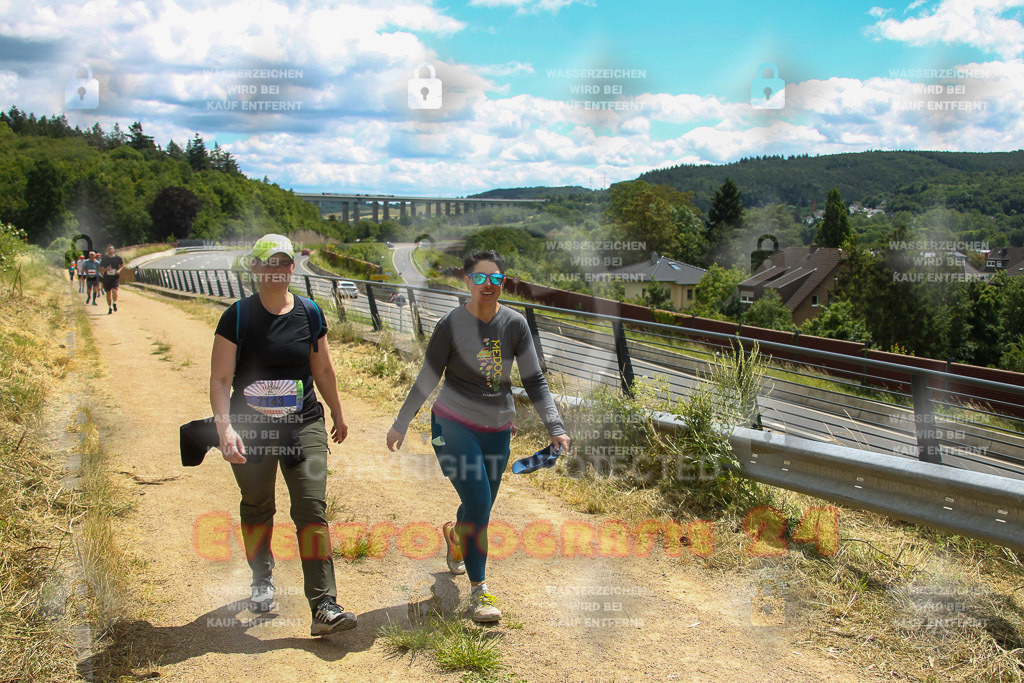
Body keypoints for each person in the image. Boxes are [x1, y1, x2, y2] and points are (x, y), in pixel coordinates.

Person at [386, 250, 571, 623]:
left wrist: (555, 426)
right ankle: (479, 592)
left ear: (504, 282)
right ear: (467, 281)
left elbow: (534, 380)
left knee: (477, 507)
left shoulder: (515, 324)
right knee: (478, 500)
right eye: (481, 278)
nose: (489, 285)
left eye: (496, 279)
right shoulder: (451, 325)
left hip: (497, 429)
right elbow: (428, 377)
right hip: (453, 425)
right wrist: (402, 422)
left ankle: (457, 537)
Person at [209, 233, 357, 637]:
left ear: (293, 267)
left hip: (303, 423)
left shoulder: (309, 313)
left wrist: (338, 412)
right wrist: (225, 428)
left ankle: (323, 604)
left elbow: (322, 369)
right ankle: (262, 577)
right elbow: (221, 380)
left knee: (311, 510)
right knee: (257, 506)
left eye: (284, 263)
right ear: (255, 268)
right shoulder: (237, 317)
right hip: (251, 428)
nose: (276, 270)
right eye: (268, 263)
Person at [99, 244, 124, 314]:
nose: (110, 250)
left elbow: (122, 265)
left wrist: (119, 270)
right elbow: (99, 269)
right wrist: (105, 270)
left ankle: (115, 303)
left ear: (113, 250)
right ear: (107, 250)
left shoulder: (118, 258)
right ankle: (110, 307)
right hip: (107, 278)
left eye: (111, 249)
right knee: (108, 293)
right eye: (109, 249)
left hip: (115, 277)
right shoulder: (104, 259)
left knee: (114, 290)